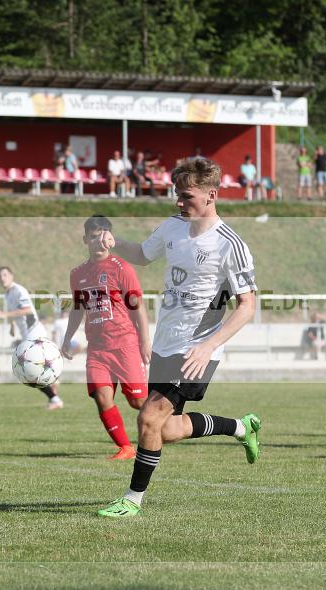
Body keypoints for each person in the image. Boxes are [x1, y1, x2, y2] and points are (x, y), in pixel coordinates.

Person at [95, 157, 261, 518]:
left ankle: (132, 500)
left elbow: (247, 306)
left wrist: (208, 347)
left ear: (211, 195)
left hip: (197, 350)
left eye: (186, 196)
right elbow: (141, 254)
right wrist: (114, 242)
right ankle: (240, 427)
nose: (178, 202)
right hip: (166, 344)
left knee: (148, 418)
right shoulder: (172, 228)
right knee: (164, 429)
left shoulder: (229, 244)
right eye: (176, 195)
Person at [61, 215, 151, 460]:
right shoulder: (77, 273)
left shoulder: (122, 268)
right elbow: (77, 308)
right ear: (85, 239)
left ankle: (173, 426)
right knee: (102, 397)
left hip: (125, 344)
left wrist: (145, 341)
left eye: (102, 237)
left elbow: (138, 306)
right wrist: (67, 338)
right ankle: (126, 447)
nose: (97, 242)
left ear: (109, 239)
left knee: (139, 402)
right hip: (98, 349)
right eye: (92, 237)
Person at [0, 266, 64, 410]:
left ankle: (55, 399)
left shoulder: (18, 290)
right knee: (31, 371)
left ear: (11, 276)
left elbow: (28, 309)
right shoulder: (8, 294)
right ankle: (53, 382)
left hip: (35, 334)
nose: (2, 278)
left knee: (29, 372)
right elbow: (16, 311)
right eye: (0, 276)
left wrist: (6, 316)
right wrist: (12, 325)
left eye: (5, 275)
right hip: (29, 335)